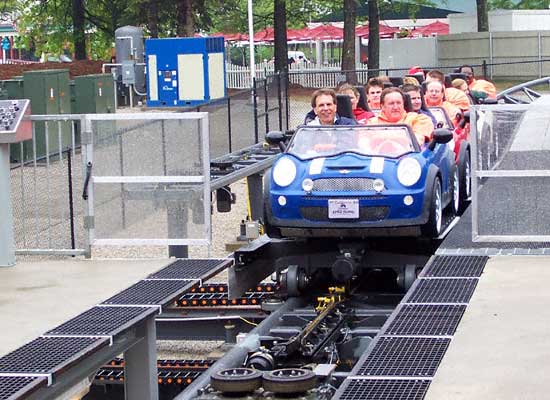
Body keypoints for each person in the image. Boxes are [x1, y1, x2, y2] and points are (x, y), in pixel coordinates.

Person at [366, 87, 434, 146]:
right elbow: (364, 144)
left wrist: (381, 139)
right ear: (382, 106)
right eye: (391, 103)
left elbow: (416, 141)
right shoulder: (372, 123)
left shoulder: (420, 119)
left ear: (403, 104)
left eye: (398, 103)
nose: (395, 107)